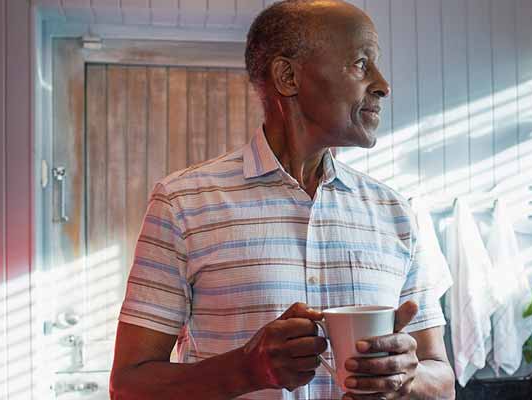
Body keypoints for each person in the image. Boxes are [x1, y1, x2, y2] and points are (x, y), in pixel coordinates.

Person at [109, 1, 455, 398]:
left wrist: (406, 376)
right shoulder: (182, 203)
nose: (382, 84)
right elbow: (128, 387)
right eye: (362, 64)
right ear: (288, 77)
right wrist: (245, 369)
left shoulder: (396, 212)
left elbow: (442, 382)